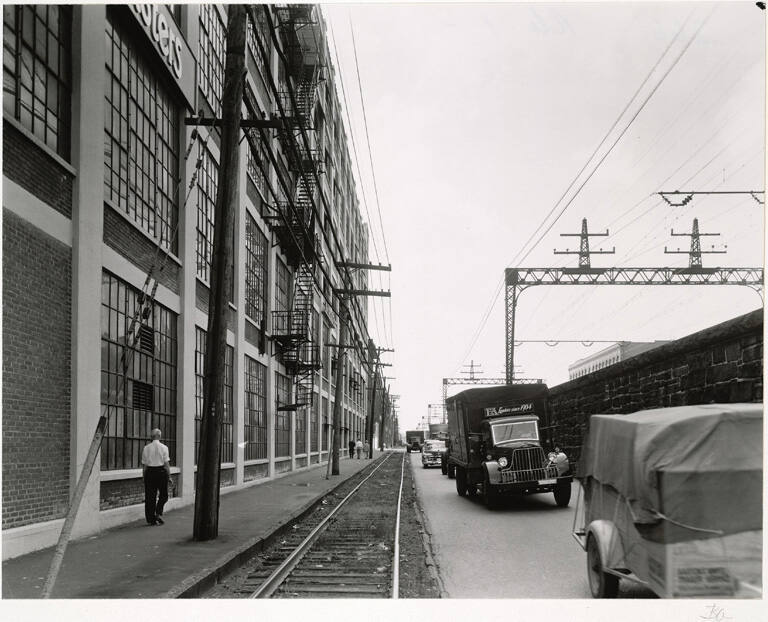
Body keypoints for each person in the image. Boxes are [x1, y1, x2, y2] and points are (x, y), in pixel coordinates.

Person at [142, 428, 170, 526]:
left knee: (150, 497)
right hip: (161, 472)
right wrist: (169, 476)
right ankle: (158, 512)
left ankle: (151, 519)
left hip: (150, 473)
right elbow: (166, 464)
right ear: (159, 436)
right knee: (164, 495)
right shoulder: (164, 447)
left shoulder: (146, 448)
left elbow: (145, 466)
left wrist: (144, 476)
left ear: (152, 436)